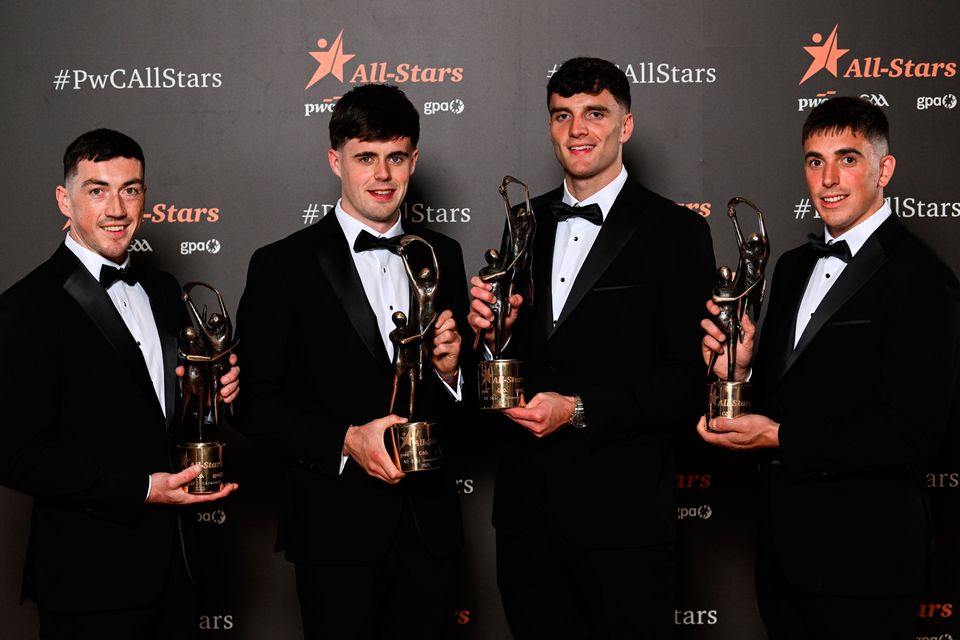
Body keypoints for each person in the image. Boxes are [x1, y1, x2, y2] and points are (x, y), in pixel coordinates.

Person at [468, 57, 715, 638]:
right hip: (527, 522)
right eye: (563, 115)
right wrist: (491, 339)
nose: (577, 129)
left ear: (625, 125)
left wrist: (576, 409)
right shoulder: (522, 223)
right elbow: (512, 358)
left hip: (622, 522)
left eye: (595, 113)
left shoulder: (676, 232)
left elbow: (686, 381)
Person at [700, 96, 960, 639]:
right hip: (782, 560)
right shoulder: (793, 267)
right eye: (815, 162)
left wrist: (782, 436)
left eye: (848, 159)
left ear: (884, 168)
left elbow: (914, 433)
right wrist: (741, 374)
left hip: (867, 563)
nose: (828, 179)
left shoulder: (921, 279)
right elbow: (783, 396)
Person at [235, 83, 468, 640]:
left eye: (395, 157)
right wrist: (344, 439)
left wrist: (453, 371)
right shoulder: (282, 265)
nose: (382, 175)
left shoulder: (445, 254)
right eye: (366, 157)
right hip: (333, 531)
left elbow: (464, 399)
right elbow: (252, 401)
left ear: (415, 159)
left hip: (428, 528)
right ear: (335, 159)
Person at [0, 128, 240, 639]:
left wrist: (214, 398)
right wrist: (143, 490)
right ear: (64, 200)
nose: (116, 207)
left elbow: (164, 410)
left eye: (130, 189)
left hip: (178, 570)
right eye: (97, 189)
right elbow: (13, 453)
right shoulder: (28, 305)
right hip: (89, 583)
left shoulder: (162, 289)